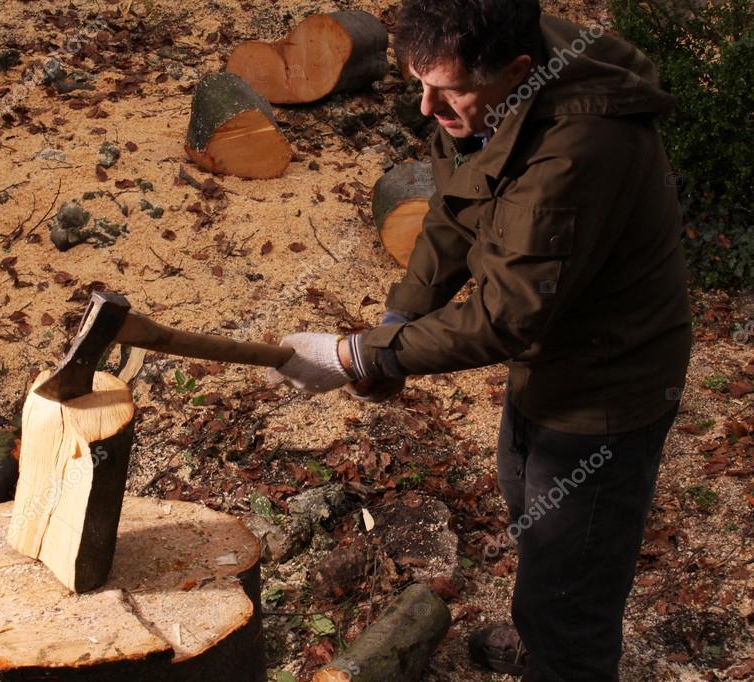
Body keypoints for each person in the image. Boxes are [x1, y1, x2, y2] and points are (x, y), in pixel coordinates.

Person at [267, 0, 692, 679]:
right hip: (545, 366)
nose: (427, 108)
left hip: (605, 384)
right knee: (533, 510)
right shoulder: (484, 80)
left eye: (448, 91)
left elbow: (506, 316)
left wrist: (355, 356)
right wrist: (398, 323)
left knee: (570, 569)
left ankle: (564, 654)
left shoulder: (579, 148)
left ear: (519, 71)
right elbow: (454, 208)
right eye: (418, 85)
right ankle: (544, 633)